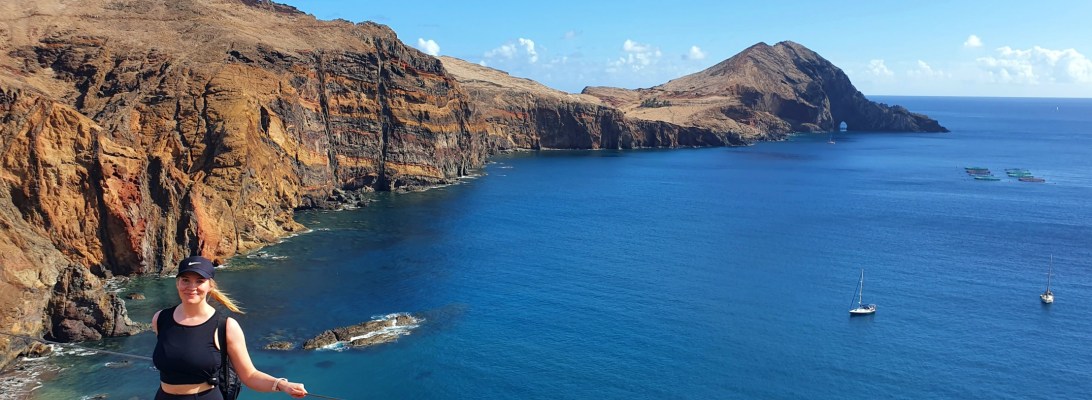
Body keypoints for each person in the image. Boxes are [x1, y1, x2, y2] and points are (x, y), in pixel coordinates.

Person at [152, 255, 308, 399]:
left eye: (200, 281)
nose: (192, 286)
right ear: (177, 283)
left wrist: (282, 384)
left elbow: (250, 375)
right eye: (185, 280)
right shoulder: (160, 319)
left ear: (210, 286)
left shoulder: (225, 326)